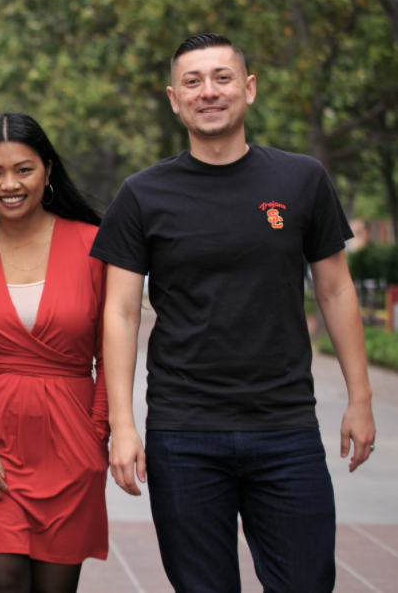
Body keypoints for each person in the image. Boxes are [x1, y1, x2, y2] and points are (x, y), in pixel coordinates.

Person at [92, 33, 377, 592]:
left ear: (247, 89)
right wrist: (122, 425)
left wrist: (361, 399)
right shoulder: (142, 194)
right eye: (193, 82)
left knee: (308, 582)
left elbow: (336, 290)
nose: (208, 92)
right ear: (174, 98)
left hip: (286, 426)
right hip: (183, 433)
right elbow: (121, 312)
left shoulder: (301, 180)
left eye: (222, 78)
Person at [0, 113, 110, 593]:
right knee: (2, 584)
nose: (9, 184)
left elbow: (110, 349)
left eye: (24, 169)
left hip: (71, 443)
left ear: (48, 170)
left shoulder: (95, 246)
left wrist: (97, 434)